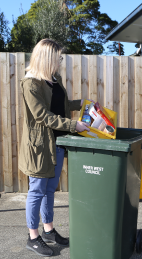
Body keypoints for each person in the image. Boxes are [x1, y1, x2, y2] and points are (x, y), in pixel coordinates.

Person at [19, 39, 91, 257]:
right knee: (37, 191)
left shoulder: (54, 79)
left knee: (50, 190)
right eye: (58, 57)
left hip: (58, 143)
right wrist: (72, 125)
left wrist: (81, 104)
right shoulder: (31, 84)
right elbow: (42, 115)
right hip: (41, 146)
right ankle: (33, 237)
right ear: (47, 58)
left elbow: (60, 106)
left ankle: (48, 230)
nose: (60, 61)